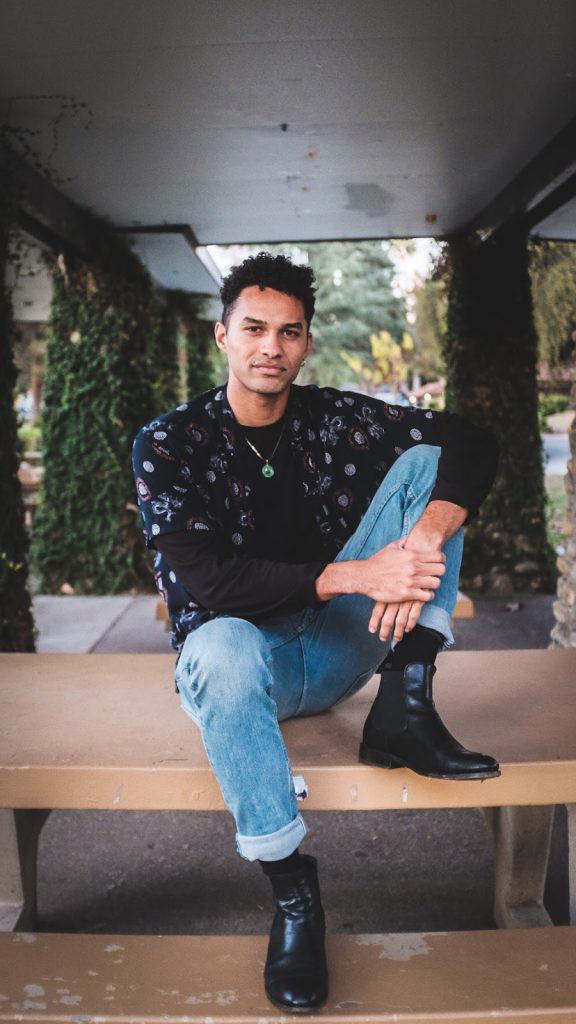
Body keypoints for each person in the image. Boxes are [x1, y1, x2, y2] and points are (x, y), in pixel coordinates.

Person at [132, 252, 499, 1013]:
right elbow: (208, 583)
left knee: (432, 466)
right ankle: (294, 894)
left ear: (306, 342)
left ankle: (404, 703)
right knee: (223, 642)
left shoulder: (333, 416)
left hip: (337, 651)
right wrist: (353, 574)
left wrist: (424, 539)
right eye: (255, 329)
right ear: (222, 336)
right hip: (241, 666)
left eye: (289, 332)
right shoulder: (168, 443)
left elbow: (469, 443)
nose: (272, 347)